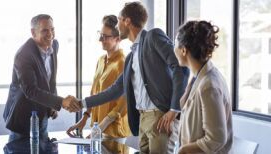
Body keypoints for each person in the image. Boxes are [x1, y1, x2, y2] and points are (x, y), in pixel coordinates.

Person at [77, 2, 189, 154]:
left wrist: (174, 110)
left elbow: (180, 66)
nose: (117, 27)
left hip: (160, 116)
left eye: (119, 21)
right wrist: (81, 103)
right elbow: (115, 90)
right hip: (143, 118)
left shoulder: (153, 36)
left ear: (127, 21)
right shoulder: (131, 57)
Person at [3, 14, 81, 143]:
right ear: (33, 32)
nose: (50, 34)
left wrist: (53, 105)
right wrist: (61, 102)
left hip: (41, 117)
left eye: (52, 29)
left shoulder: (54, 45)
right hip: (22, 120)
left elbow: (51, 80)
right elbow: (31, 90)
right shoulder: (24, 55)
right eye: (45, 30)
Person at [66, 15, 131, 139]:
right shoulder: (101, 60)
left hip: (113, 131)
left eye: (105, 37)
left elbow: (123, 103)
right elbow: (94, 93)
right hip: (97, 128)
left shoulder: (123, 63)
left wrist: (101, 127)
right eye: (100, 35)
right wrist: (84, 118)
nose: (101, 39)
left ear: (118, 39)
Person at [174, 20, 233, 154]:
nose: (174, 49)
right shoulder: (198, 77)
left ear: (183, 50)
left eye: (175, 44)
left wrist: (184, 150)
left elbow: (216, 139)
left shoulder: (208, 85)